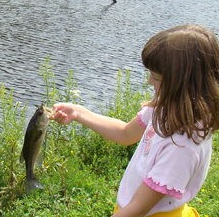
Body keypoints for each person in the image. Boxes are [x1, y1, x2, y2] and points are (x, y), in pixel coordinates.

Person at [50, 24, 219, 217]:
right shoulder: (165, 108)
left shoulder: (182, 145)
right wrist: (79, 112)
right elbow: (125, 133)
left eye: (156, 77)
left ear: (180, 84)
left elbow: (138, 209)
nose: (149, 82)